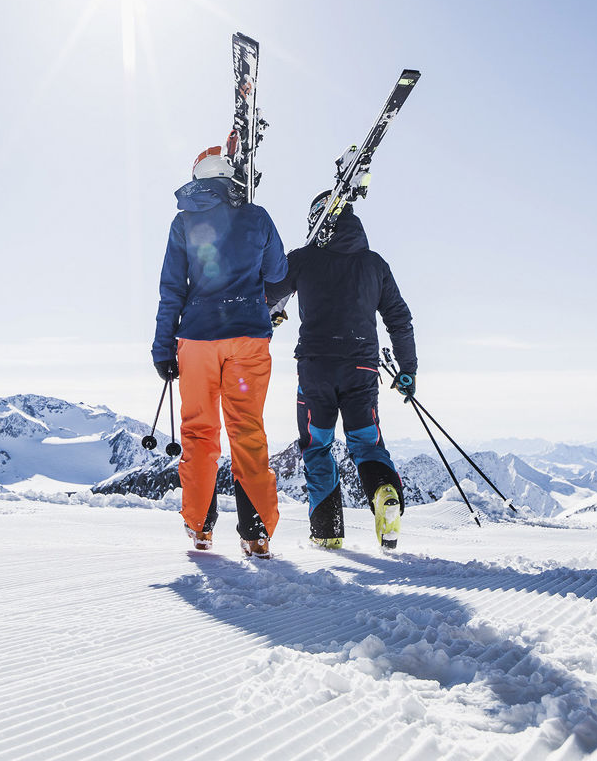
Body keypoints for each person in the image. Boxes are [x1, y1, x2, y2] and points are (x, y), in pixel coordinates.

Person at [152, 145, 288, 558]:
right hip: (248, 336)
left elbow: (172, 289)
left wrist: (163, 347)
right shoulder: (257, 217)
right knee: (247, 431)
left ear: (197, 177)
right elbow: (278, 272)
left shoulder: (183, 223)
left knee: (198, 432)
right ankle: (256, 533)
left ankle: (200, 527)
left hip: (197, 340)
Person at [265, 191, 416, 550]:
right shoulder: (374, 264)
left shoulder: (302, 260)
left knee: (317, 446)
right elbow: (399, 318)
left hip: (316, 369)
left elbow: (268, 296)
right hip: (362, 368)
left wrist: (274, 309)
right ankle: (384, 493)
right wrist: (407, 368)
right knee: (367, 444)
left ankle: (327, 531)